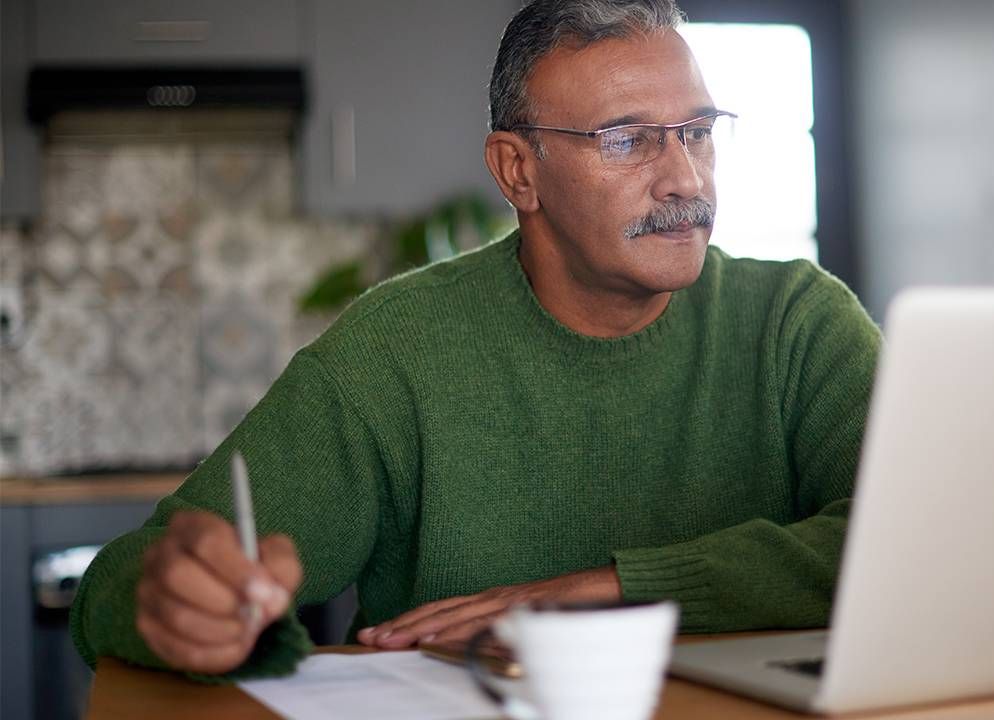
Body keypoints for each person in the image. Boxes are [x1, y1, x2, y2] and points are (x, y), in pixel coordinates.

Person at [70, 0, 881, 679]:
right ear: (517, 172)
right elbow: (120, 582)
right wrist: (172, 601)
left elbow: (922, 542)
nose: (685, 178)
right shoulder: (395, 350)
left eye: (696, 131)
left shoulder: (797, 323)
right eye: (627, 139)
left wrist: (605, 588)